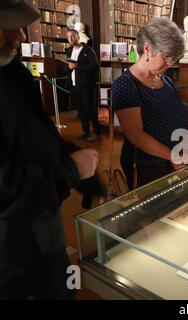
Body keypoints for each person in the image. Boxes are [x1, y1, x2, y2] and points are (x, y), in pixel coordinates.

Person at [0, 0, 99, 299]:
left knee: (61, 289)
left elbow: (36, 133)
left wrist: (70, 158)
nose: (18, 36)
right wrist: (71, 170)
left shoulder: (11, 69)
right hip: (8, 243)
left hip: (46, 218)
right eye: (5, 27)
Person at [112, 18, 188, 190]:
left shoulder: (167, 81)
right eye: (167, 56)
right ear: (147, 49)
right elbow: (136, 136)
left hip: (175, 163)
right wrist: (172, 156)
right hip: (148, 168)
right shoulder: (125, 85)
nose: (171, 63)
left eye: (174, 58)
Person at [65, 29, 101, 142]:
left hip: (86, 85)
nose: (70, 39)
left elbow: (93, 66)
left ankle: (97, 133)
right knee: (81, 110)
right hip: (74, 85)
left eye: (72, 36)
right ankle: (85, 131)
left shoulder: (88, 50)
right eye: (68, 37)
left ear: (78, 37)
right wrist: (69, 67)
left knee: (90, 109)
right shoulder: (69, 50)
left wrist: (77, 66)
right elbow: (70, 66)